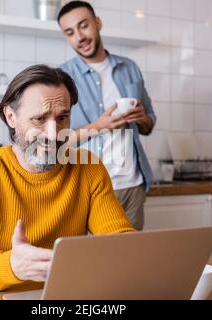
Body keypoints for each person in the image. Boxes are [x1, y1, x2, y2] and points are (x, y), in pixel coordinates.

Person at [0, 65, 135, 293]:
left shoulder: (88, 168)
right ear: (10, 116)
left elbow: (122, 243)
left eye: (62, 118)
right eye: (39, 119)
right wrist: (12, 266)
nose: (53, 133)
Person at [58, 1, 156, 231]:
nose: (79, 37)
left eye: (83, 26)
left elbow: (150, 122)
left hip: (133, 185)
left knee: (130, 262)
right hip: (90, 187)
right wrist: (99, 126)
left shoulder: (129, 68)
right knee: (93, 263)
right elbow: (57, 140)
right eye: (70, 32)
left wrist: (142, 118)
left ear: (97, 23)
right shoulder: (62, 77)